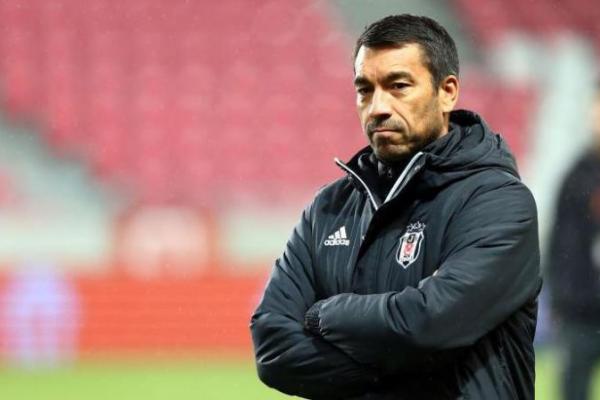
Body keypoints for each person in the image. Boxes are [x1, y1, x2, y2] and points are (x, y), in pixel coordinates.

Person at [250, 14, 541, 399]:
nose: (378, 108)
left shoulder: (497, 202)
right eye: (365, 90)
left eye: (398, 86)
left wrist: (326, 314)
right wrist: (407, 360)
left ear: (447, 92)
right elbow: (273, 349)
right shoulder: (327, 210)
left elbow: (429, 324)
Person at [547, 85, 600, 400]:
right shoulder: (576, 175)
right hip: (580, 312)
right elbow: (559, 244)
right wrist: (559, 300)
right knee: (573, 390)